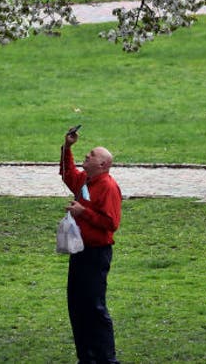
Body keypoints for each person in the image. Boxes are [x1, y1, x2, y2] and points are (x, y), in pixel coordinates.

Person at [60, 127, 123, 364]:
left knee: (95, 308)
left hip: (96, 254)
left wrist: (82, 212)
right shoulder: (85, 180)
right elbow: (67, 174)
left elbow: (111, 223)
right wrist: (67, 148)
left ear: (103, 164)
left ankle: (107, 359)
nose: (87, 156)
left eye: (91, 154)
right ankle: (86, 357)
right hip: (80, 251)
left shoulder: (107, 186)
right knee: (77, 306)